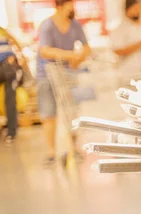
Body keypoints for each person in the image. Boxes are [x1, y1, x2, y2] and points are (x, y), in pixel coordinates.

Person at [37, 0, 91, 166]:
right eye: (70, 5)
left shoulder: (75, 25)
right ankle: (52, 152)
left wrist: (79, 58)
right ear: (60, 7)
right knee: (49, 113)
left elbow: (87, 47)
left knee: (71, 111)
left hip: (67, 74)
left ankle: (74, 148)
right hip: (46, 74)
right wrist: (70, 55)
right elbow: (44, 50)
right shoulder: (47, 25)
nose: (73, 9)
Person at [0, 37, 23, 147]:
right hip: (8, 65)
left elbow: (16, 43)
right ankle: (10, 132)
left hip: (7, 66)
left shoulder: (3, 31)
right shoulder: (3, 32)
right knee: (9, 102)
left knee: (10, 102)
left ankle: (11, 132)